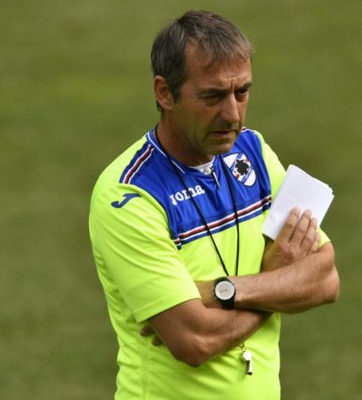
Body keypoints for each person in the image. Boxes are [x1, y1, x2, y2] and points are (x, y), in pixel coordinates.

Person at [89, 10, 339, 400]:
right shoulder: (129, 195)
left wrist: (221, 291)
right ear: (164, 93)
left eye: (242, 92)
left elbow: (325, 279)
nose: (232, 114)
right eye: (213, 96)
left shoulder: (254, 153)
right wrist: (277, 282)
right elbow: (195, 341)